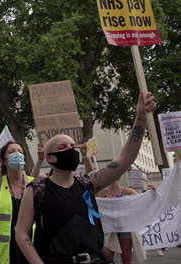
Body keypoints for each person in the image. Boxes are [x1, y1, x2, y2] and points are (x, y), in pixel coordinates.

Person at [16, 92, 156, 263]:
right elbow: (22, 234)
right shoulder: (37, 189)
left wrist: (140, 117)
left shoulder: (89, 183)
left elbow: (125, 159)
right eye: (63, 146)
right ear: (50, 157)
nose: (71, 149)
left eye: (72, 146)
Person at [0, 141, 35, 264]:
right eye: (11, 152)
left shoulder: (35, 184)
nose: (17, 154)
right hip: (4, 253)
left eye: (20, 152)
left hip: (31, 250)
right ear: (4, 161)